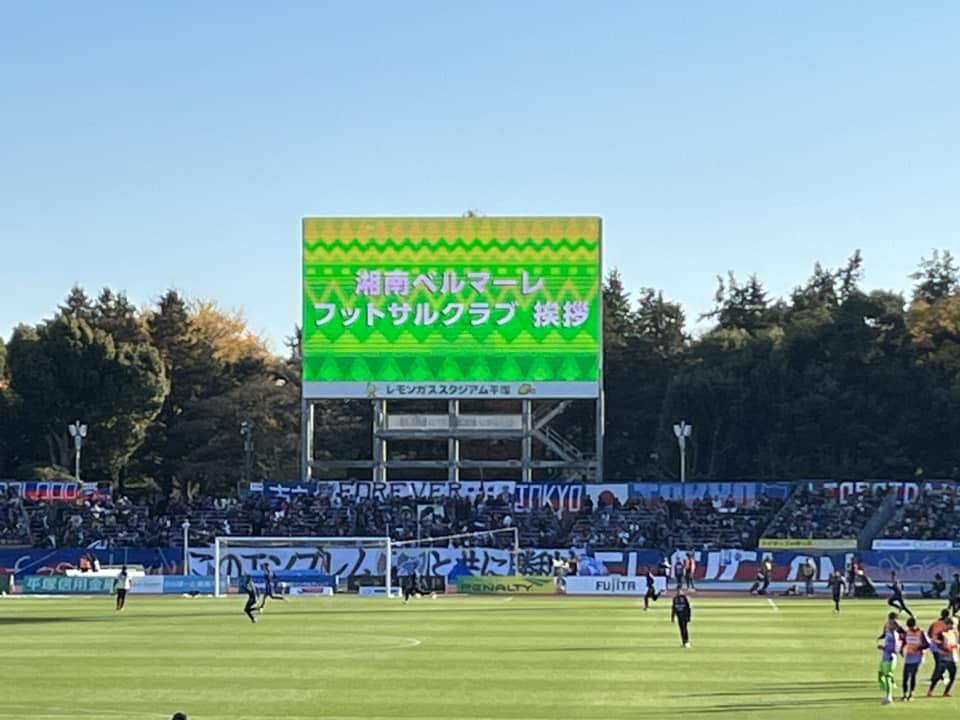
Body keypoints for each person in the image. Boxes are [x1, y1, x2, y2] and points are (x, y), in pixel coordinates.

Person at [877, 611, 902, 705]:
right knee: (880, 674)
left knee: (886, 676)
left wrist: (882, 648)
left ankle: (888, 696)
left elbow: (895, 649)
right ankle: (887, 691)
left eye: (891, 624)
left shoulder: (895, 635)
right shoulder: (888, 631)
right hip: (885, 656)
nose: (889, 624)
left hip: (890, 657)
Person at [928, 617, 958, 697]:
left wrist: (955, 646)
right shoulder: (941, 634)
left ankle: (946, 692)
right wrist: (942, 650)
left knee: (953, 675)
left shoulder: (953, 633)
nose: (953, 627)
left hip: (952, 657)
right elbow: (936, 643)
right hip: (944, 658)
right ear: (947, 624)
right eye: (952, 625)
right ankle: (930, 690)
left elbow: (954, 642)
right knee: (938, 675)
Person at [900, 617, 928, 702]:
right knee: (905, 676)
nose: (911, 629)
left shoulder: (921, 633)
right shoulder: (907, 632)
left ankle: (911, 694)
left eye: (912, 627)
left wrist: (919, 648)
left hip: (917, 657)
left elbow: (927, 644)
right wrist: (901, 648)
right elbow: (905, 641)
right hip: (909, 656)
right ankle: (904, 694)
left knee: (913, 675)